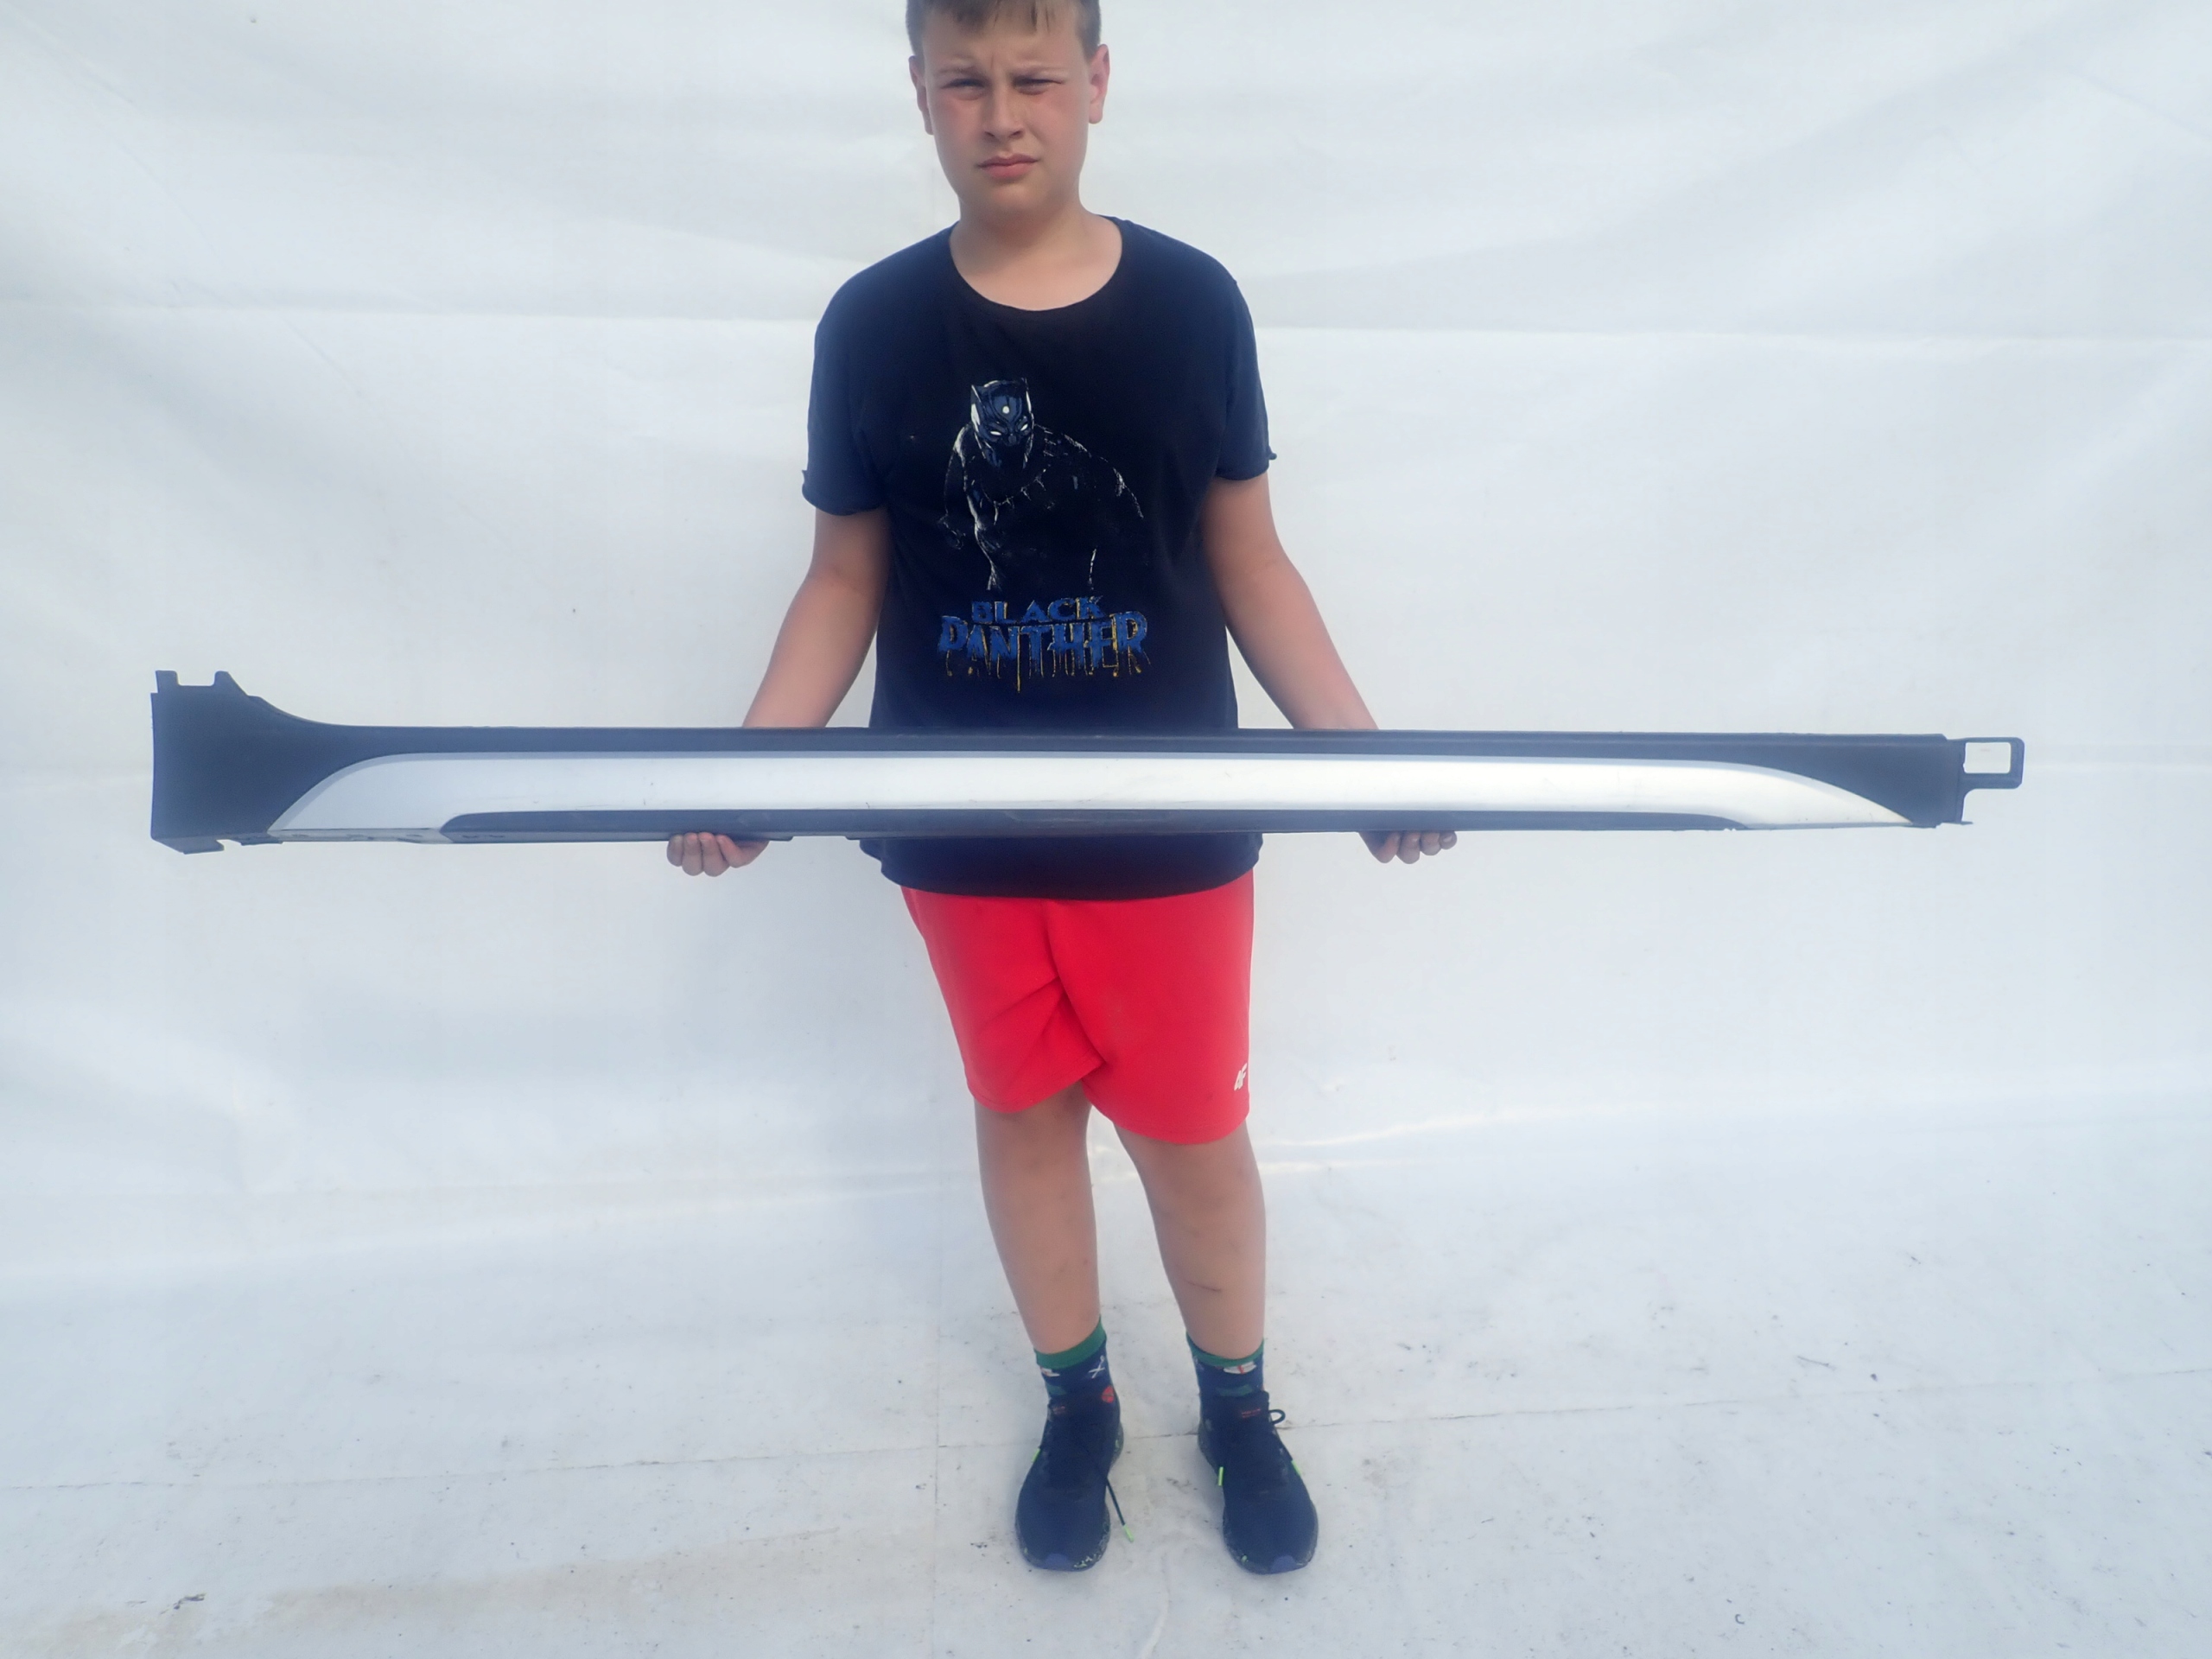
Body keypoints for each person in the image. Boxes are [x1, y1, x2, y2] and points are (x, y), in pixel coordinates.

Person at [668, 0, 1454, 1575]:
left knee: (1189, 1133)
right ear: (919, 93)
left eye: (1035, 76)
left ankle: (1236, 1405)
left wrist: (1362, 757)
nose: (1003, 111)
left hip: (1166, 834)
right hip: (962, 834)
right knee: (1023, 1114)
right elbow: (843, 577)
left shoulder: (1193, 306)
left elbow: (1250, 561)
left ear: (1097, 82)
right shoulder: (873, 324)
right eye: (966, 81)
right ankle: (1078, 1402)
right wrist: (752, 770)